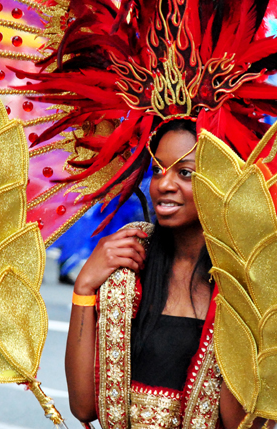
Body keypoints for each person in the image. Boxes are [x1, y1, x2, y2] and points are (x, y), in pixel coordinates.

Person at [64, 119, 258, 429]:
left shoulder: (243, 284)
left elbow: (241, 424)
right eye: (157, 169)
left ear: (222, 181)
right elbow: (84, 406)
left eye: (185, 173)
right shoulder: (127, 271)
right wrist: (84, 287)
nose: (164, 184)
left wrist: (244, 313)